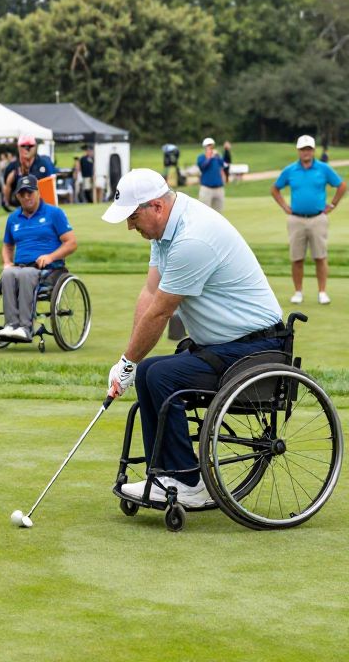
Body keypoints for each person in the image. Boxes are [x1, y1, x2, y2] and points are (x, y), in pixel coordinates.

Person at [103, 169, 286, 509]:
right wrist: (125, 362)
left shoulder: (192, 239)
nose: (130, 226)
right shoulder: (166, 232)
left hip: (254, 349)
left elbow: (160, 313)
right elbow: (150, 292)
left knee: (157, 374)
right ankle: (165, 474)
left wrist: (130, 364)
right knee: (151, 371)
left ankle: (187, 481)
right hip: (227, 346)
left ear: (156, 206)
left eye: (132, 216)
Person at [0, 175, 77, 342]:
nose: (27, 197)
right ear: (17, 196)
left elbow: (71, 243)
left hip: (51, 269)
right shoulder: (13, 219)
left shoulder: (54, 213)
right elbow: (7, 246)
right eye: (22, 193)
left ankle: (25, 327)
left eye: (30, 192)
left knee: (26, 274)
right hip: (21, 267)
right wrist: (6, 262)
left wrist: (50, 256)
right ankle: (11, 325)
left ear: (38, 192)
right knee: (7, 274)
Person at [271, 135, 346, 305]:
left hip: (318, 219)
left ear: (313, 150)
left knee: (320, 256)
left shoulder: (323, 168)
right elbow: (275, 189)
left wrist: (332, 205)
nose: (306, 152)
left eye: (309, 149)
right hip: (296, 219)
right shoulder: (290, 170)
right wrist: (284, 206)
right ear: (298, 151)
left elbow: (341, 185)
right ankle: (298, 292)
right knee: (297, 258)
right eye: (303, 149)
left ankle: (322, 292)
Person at [1, 135, 57, 207]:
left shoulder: (44, 163)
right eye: (23, 146)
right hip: (19, 206)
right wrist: (7, 203)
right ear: (18, 147)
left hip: (42, 204)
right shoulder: (11, 167)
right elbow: (7, 187)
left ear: (35, 147)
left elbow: (50, 185)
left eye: (30, 146)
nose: (27, 149)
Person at [196, 137, 226, 213]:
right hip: (206, 188)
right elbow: (203, 166)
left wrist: (218, 156)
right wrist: (209, 158)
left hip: (219, 188)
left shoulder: (217, 157)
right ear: (205, 147)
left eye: (211, 146)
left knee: (219, 213)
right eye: (208, 146)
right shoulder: (201, 157)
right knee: (204, 212)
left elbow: (223, 164)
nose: (210, 148)